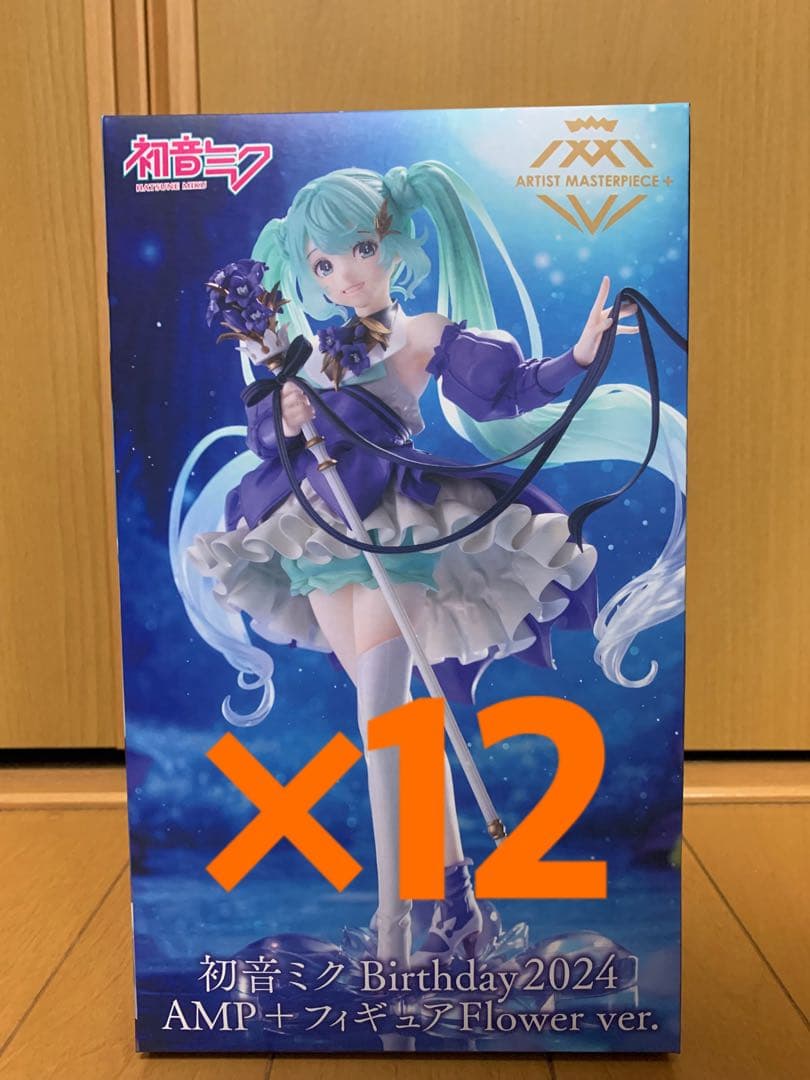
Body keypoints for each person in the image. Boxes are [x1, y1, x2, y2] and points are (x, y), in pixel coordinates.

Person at [173, 162, 686, 972]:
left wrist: (581, 354)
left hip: (395, 531)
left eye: (360, 249)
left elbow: (509, 392)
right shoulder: (309, 352)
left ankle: (394, 922)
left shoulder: (421, 336)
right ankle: (457, 907)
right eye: (324, 265)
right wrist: (288, 411)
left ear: (394, 244)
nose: (346, 276)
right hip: (321, 537)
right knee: (407, 726)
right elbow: (269, 442)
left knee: (384, 715)